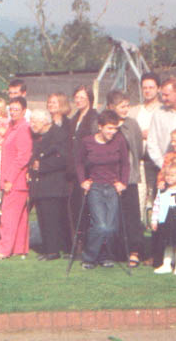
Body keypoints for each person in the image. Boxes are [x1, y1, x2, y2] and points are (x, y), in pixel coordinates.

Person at [74, 110, 130, 269]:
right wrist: (82, 181)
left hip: (112, 187)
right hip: (95, 188)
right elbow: (78, 162)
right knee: (100, 225)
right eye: (109, 128)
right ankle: (89, 257)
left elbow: (126, 164)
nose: (113, 132)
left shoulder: (119, 141)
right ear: (100, 127)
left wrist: (123, 182)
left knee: (111, 227)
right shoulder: (87, 142)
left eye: (115, 129)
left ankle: (104, 256)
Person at [107, 90, 145, 267]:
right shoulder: (103, 123)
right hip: (108, 178)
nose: (125, 109)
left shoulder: (132, 124)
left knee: (131, 216)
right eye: (121, 106)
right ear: (111, 107)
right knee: (112, 215)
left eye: (127, 106)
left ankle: (134, 252)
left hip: (128, 178)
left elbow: (137, 149)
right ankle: (115, 251)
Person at [28, 109, 70, 260]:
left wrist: (43, 165)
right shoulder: (39, 136)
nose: (31, 124)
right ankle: (47, 249)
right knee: (43, 217)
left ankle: (53, 251)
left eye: (34, 121)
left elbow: (64, 158)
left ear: (45, 121)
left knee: (51, 218)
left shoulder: (58, 134)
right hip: (41, 184)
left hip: (54, 183)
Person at [0, 97, 33, 260]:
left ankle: (4, 250)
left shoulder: (23, 128)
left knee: (8, 217)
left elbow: (23, 157)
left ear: (24, 111)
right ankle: (19, 248)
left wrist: (9, 179)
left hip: (15, 181)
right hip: (13, 180)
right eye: (10, 109)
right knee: (19, 217)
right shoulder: (12, 127)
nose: (12, 112)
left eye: (16, 109)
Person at [68, 85, 99, 247]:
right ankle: (78, 241)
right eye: (76, 97)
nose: (78, 100)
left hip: (87, 170)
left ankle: (89, 243)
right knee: (75, 207)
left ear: (89, 98)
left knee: (87, 208)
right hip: (74, 170)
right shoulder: (74, 118)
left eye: (82, 97)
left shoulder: (93, 117)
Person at [128, 73, 163, 202]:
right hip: (139, 162)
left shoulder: (163, 110)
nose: (147, 91)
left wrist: (153, 134)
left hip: (157, 163)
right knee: (139, 199)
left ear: (158, 89)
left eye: (151, 87)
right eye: (145, 88)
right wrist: (138, 134)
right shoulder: (134, 111)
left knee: (156, 200)